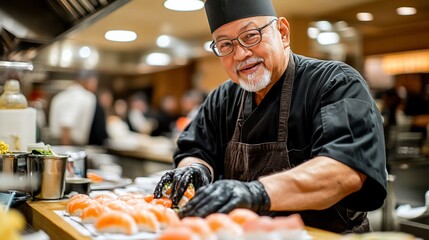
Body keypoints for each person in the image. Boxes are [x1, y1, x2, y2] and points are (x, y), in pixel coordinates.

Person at [153, 0, 387, 234]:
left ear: (283, 33)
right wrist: (196, 169)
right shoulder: (223, 97)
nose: (240, 54)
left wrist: (256, 193)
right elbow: (195, 150)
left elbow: (345, 170)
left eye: (251, 35)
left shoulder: (335, 83)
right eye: (225, 45)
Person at [49, 70, 108, 146]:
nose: (95, 86)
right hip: (70, 145)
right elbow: (66, 126)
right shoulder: (79, 96)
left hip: (62, 145)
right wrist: (67, 153)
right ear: (89, 80)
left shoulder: (62, 95)